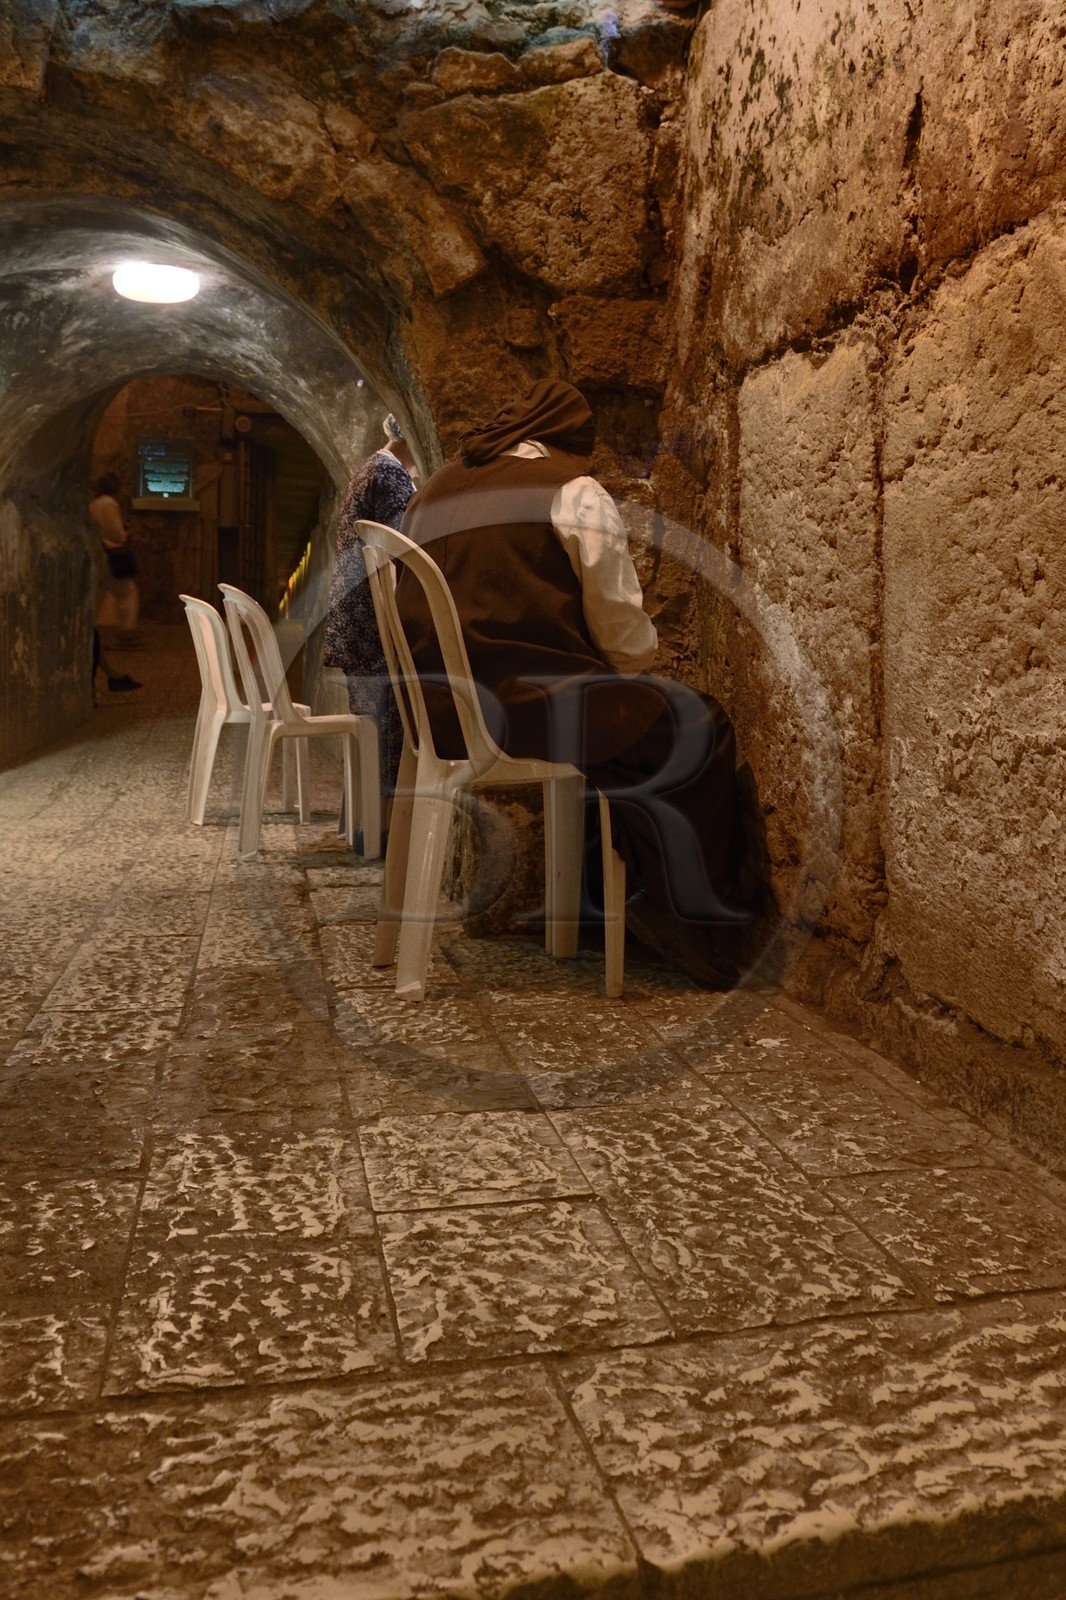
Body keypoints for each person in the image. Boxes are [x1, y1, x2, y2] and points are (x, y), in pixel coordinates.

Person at [396, 378, 750, 988]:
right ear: (566, 442)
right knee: (694, 721)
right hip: (520, 708)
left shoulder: (431, 488)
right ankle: (687, 917)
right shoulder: (573, 491)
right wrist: (635, 667)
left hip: (432, 712)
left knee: (619, 734)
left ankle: (604, 900)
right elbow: (621, 631)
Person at [323, 414, 418, 803]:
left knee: (372, 732)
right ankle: (384, 831)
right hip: (372, 626)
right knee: (389, 731)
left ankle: (367, 823)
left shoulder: (371, 468)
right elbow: (408, 550)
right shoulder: (391, 477)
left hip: (356, 624)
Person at [89, 472, 141, 649]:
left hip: (97, 552)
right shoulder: (109, 504)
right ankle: (126, 633)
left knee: (97, 593)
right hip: (111, 554)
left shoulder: (93, 504)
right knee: (127, 592)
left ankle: (87, 630)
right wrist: (126, 532)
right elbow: (117, 535)